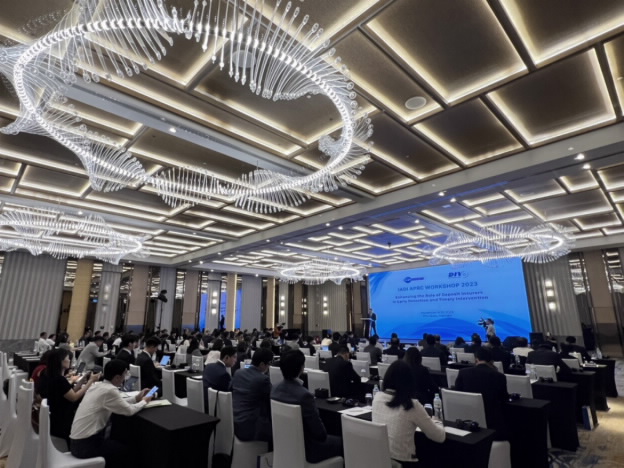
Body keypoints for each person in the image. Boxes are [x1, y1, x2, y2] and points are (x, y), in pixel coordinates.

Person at [70, 359, 152, 467]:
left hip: (76, 442)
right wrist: (144, 401)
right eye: (124, 375)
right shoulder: (110, 390)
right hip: (85, 445)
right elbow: (129, 411)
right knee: (127, 452)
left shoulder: (98, 386)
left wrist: (136, 398)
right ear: (117, 377)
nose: (125, 378)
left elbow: (117, 402)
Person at [271, 350, 343, 464]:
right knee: (345, 442)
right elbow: (320, 434)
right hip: (309, 449)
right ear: (301, 368)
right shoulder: (304, 395)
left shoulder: (274, 389)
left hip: (285, 443)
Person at [372, 360, 445, 467]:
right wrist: (438, 421)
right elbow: (439, 437)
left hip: (381, 458)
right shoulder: (411, 405)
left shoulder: (377, 398)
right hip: (403, 462)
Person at [37, 348, 100, 444]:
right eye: (68, 358)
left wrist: (82, 381)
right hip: (63, 421)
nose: (69, 360)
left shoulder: (48, 375)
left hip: (54, 416)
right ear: (61, 361)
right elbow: (74, 397)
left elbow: (69, 393)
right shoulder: (59, 379)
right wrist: (90, 382)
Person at [454, 347, 509, 440]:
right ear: (491, 360)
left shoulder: (463, 372)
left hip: (467, 419)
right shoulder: (499, 376)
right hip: (492, 421)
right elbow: (504, 398)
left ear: (476, 359)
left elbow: (457, 394)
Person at [232, 348, 274, 443]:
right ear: (262, 364)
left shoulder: (238, 373)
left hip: (234, 421)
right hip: (250, 427)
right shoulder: (262, 379)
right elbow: (271, 399)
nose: (269, 367)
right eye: (269, 364)